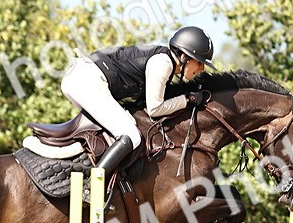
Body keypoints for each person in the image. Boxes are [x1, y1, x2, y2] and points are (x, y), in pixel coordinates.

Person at [60, 25, 215, 178]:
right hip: (86, 81)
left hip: (84, 79)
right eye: (199, 62)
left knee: (112, 132)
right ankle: (91, 186)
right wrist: (187, 99)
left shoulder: (164, 60)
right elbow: (155, 109)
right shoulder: (163, 63)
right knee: (131, 135)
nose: (202, 68)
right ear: (183, 56)